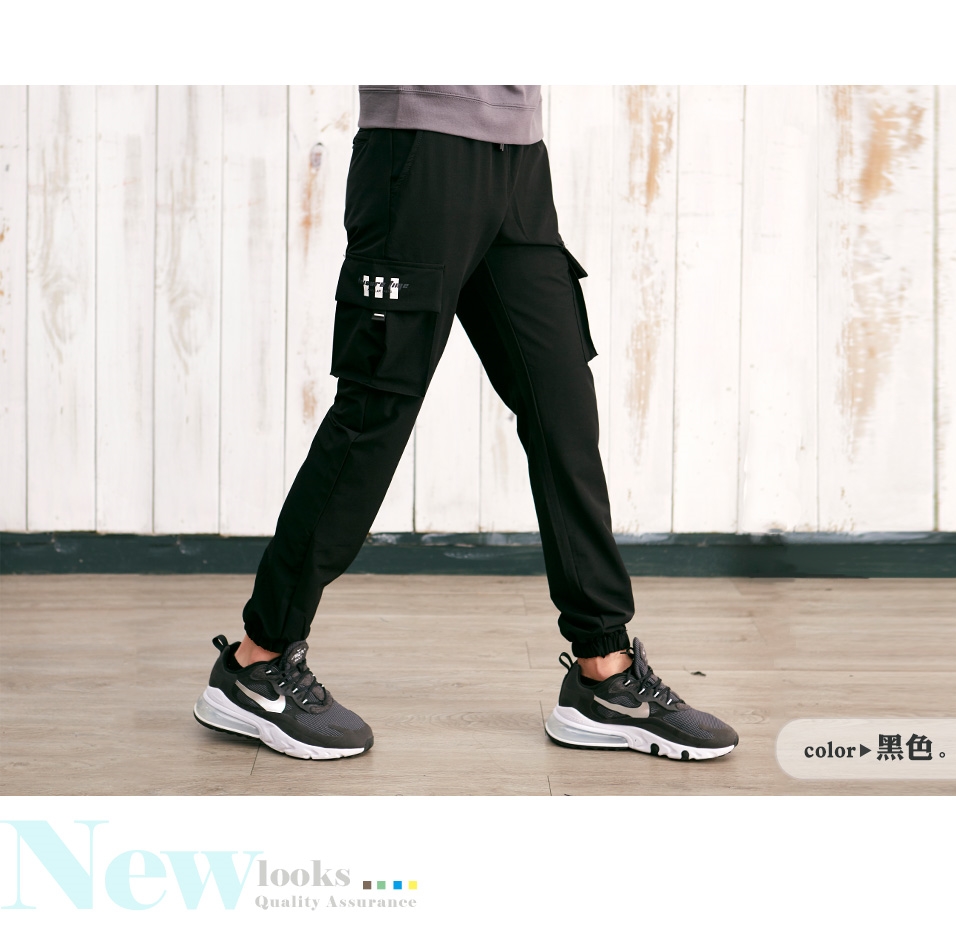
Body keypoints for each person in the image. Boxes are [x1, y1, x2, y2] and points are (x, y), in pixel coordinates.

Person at [193, 85, 739, 762]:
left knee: (563, 413)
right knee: (373, 416)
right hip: (420, 155)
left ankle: (605, 672)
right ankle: (258, 661)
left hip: (518, 156)